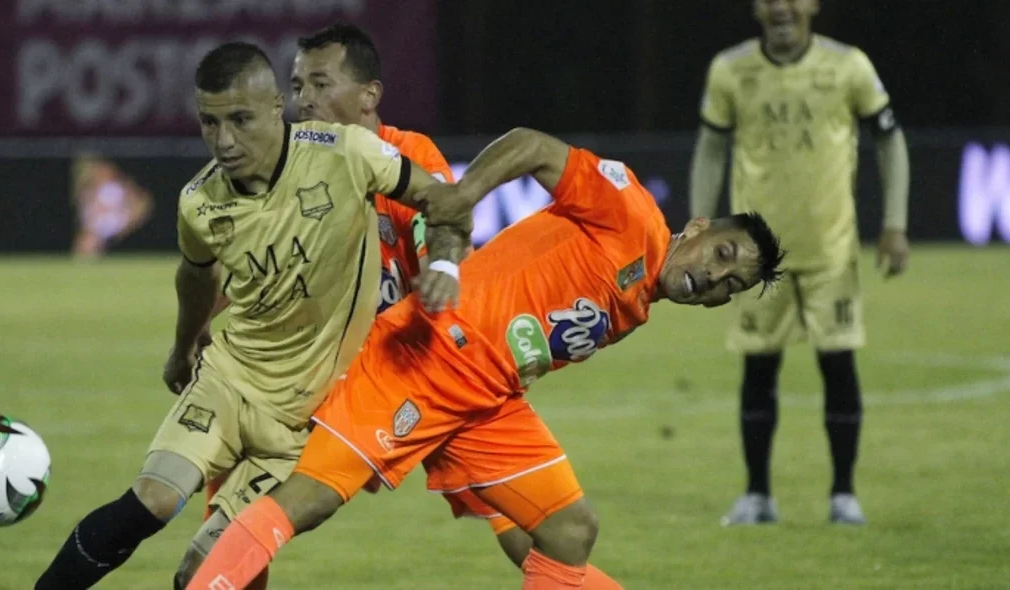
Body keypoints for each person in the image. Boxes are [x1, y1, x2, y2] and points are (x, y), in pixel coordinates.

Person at [186, 127, 786, 590]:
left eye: (730, 284)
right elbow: (531, 145)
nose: (715, 277)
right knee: (308, 502)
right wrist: (463, 195)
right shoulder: (632, 215)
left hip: (488, 400)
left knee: (565, 532)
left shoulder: (638, 300)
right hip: (429, 359)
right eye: (723, 253)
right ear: (699, 227)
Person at [34, 41, 470, 589]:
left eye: (239, 119)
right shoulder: (199, 201)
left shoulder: (348, 155)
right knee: (153, 499)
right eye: (209, 123)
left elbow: (446, 200)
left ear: (275, 107)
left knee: (204, 573)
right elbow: (195, 277)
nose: (223, 141)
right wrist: (183, 345)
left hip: (305, 424)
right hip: (228, 383)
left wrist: (446, 266)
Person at [175, 24, 458, 590]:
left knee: (540, 520)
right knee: (225, 545)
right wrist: (206, 324)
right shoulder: (291, 163)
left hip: (401, 369)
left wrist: (441, 267)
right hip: (302, 375)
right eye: (298, 84)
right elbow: (261, 271)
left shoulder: (407, 156)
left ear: (368, 95)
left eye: (321, 84)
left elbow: (438, 220)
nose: (305, 99)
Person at [689, 0, 911, 526]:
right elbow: (711, 148)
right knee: (758, 367)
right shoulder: (730, 70)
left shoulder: (848, 65)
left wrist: (895, 223)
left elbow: (890, 139)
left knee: (838, 365)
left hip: (830, 249)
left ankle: (843, 495)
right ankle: (757, 496)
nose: (781, 8)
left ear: (812, 5)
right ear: (755, 8)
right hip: (756, 260)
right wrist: (700, 226)